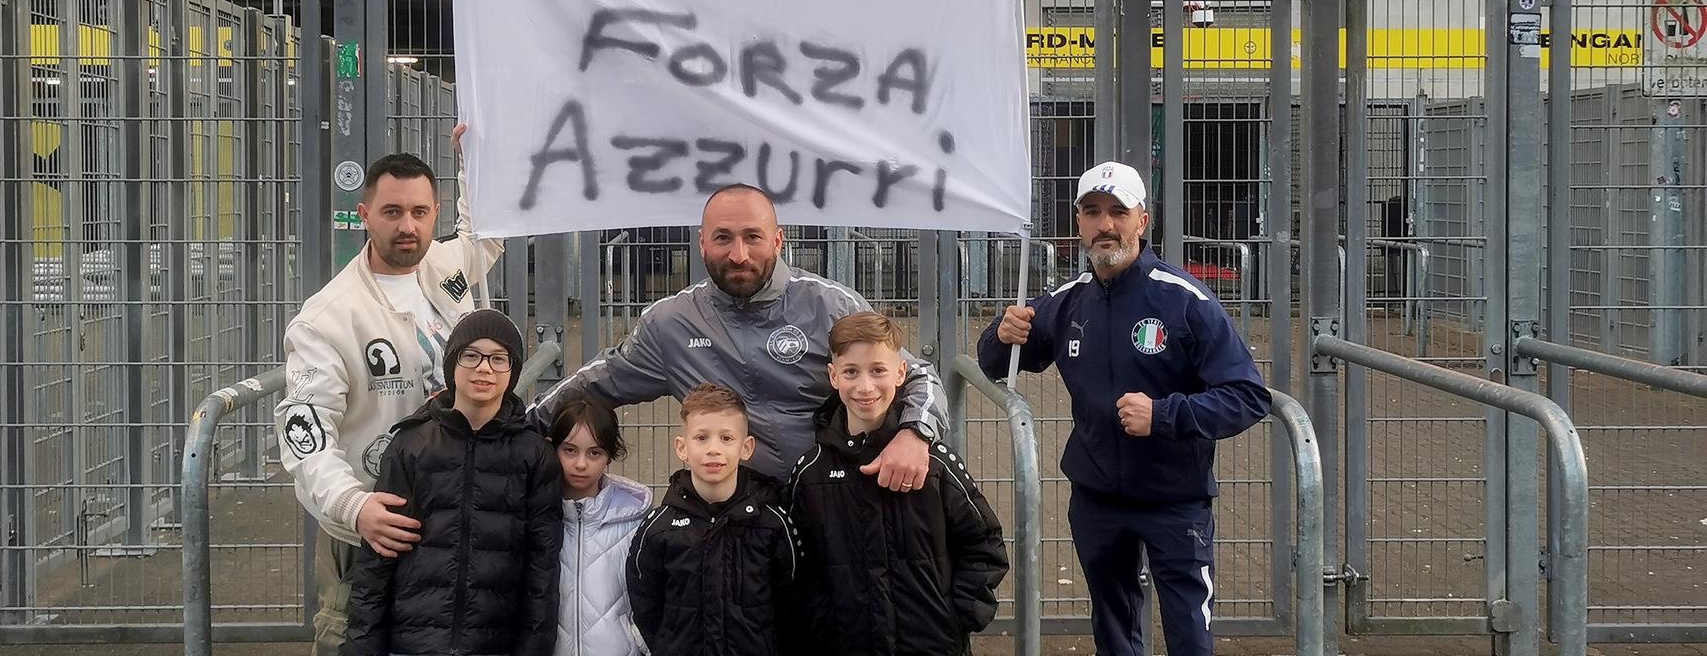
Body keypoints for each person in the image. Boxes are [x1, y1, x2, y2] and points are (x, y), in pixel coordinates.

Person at [978, 161, 1271, 656]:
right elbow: (996, 363)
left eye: (1118, 211)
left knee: (1190, 636)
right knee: (1114, 631)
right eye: (1092, 211)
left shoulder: (1185, 300)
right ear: (1078, 222)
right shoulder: (1067, 301)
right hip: (1096, 498)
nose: (1105, 224)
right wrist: (1000, 335)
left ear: (1142, 220)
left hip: (1174, 500)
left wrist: (1164, 415)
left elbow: (1248, 395)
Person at [532, 183, 946, 492]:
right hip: (736, 514)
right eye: (723, 238)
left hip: (835, 500)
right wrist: (512, 425)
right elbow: (596, 382)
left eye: (753, 237)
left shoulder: (831, 306)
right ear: (701, 243)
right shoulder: (672, 324)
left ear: (778, 241)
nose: (739, 255)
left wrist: (915, 435)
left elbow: (916, 375)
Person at [276, 127, 505, 656]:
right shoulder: (329, 318)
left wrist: (474, 159)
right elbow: (305, 431)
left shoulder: (442, 268)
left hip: (456, 514)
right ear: (365, 215)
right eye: (392, 212)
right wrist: (355, 506)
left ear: (435, 213)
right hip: (374, 529)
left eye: (420, 212)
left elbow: (484, 236)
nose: (408, 226)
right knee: (352, 640)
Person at [342, 309, 563, 656]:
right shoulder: (411, 445)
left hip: (494, 643)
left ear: (513, 370)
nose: (484, 368)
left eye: (498, 358)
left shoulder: (533, 454)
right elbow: (376, 561)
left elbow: (542, 569)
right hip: (413, 642)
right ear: (451, 365)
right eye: (471, 355)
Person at [787, 311, 1008, 656]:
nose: (865, 387)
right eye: (851, 372)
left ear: (901, 372)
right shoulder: (810, 472)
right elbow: (801, 564)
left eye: (878, 370)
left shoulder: (935, 464)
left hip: (933, 643)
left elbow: (984, 543)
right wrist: (822, 624)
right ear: (833, 376)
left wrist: (959, 616)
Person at [624, 383, 799, 656]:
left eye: (726, 438)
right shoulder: (659, 528)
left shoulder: (773, 524)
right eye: (701, 438)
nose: (713, 449)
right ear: (682, 447)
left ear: (746, 447)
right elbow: (645, 602)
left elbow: (791, 601)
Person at [547, 398, 651, 656]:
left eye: (594, 453)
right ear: (553, 449)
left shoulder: (636, 521)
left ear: (609, 456)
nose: (581, 464)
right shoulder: (537, 517)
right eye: (570, 450)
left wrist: (639, 642)